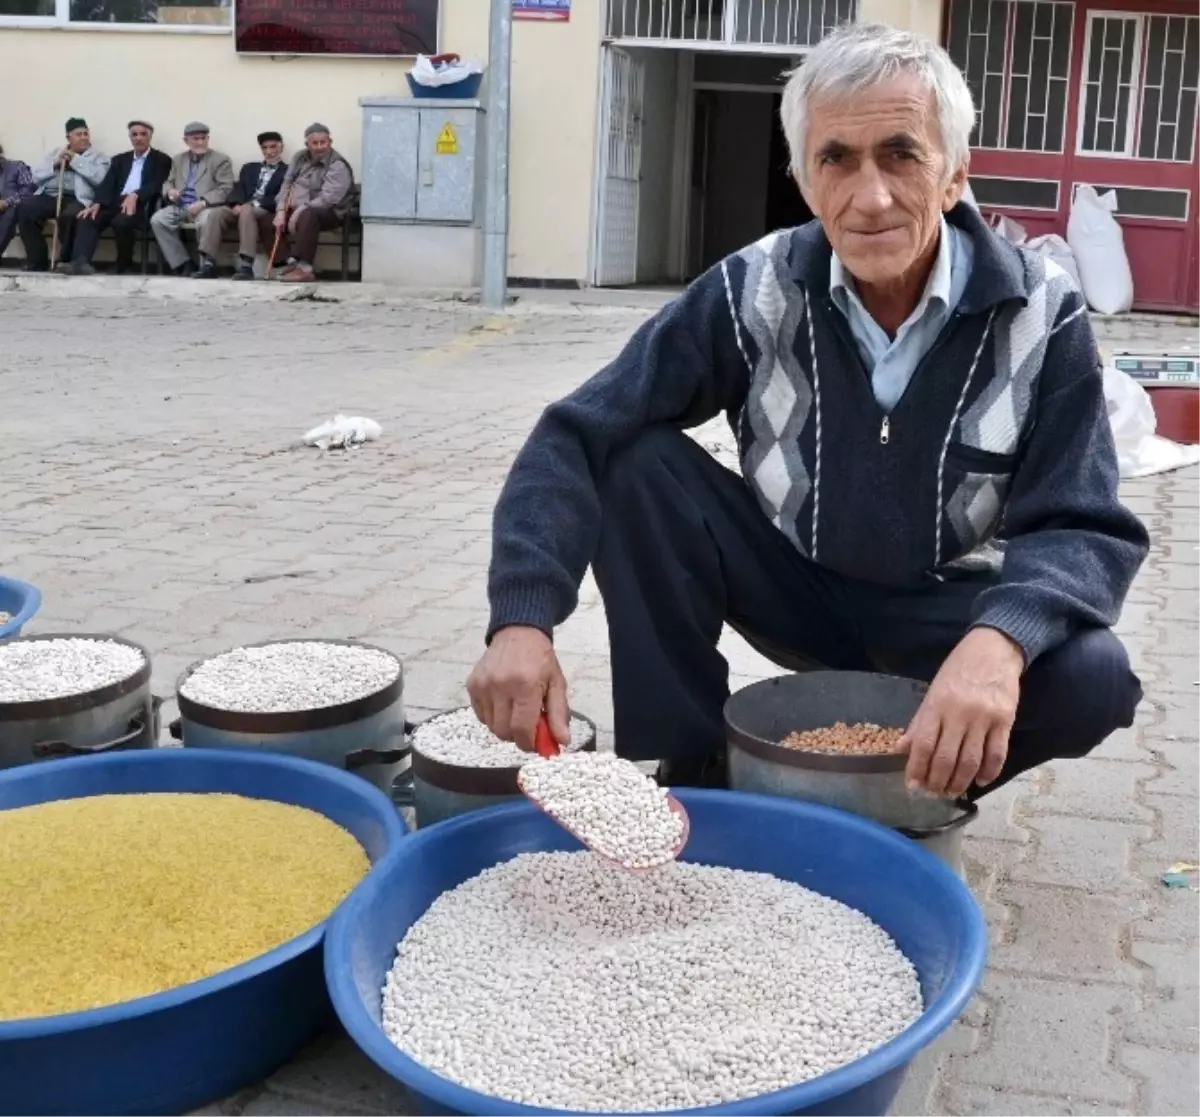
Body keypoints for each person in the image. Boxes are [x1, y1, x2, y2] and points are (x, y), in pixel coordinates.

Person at [467, 24, 1150, 803]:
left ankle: (912, 787)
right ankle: (690, 778)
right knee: (634, 463)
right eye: (836, 159)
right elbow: (576, 432)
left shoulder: (1041, 313)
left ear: (955, 173)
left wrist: (1000, 642)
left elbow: (1082, 522)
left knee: (1094, 676)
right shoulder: (750, 290)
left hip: (944, 607)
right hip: (793, 580)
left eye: (902, 153)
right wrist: (520, 616)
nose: (871, 197)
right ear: (803, 179)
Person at [71, 120, 172, 276]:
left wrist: (136, 195)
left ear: (150, 137)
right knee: (88, 216)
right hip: (115, 202)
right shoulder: (119, 160)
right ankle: (80, 262)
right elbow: (107, 184)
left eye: (143, 134)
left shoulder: (161, 159)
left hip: (142, 204)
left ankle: (124, 263)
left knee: (121, 222)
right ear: (130, 138)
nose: (138, 138)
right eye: (134, 134)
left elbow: (157, 184)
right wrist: (97, 203)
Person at [18, 118, 110, 273]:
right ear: (68, 138)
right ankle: (37, 260)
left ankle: (67, 260)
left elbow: (101, 179)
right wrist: (54, 164)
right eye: (78, 134)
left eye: (85, 134)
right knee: (26, 208)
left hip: (78, 198)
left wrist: (76, 160)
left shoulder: (99, 158)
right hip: (50, 196)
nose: (83, 137)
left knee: (70, 215)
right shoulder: (54, 153)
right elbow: (36, 177)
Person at [197, 130, 288, 280]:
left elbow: (282, 196)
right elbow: (238, 188)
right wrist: (236, 204)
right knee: (216, 213)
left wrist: (253, 205)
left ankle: (246, 266)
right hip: (242, 206)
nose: (269, 151)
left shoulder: (288, 171)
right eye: (265, 148)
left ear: (281, 148)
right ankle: (209, 263)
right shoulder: (249, 168)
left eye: (273, 147)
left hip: (265, 209)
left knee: (247, 212)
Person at [150, 122, 234, 277]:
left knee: (206, 220)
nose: (200, 142)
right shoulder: (178, 160)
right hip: (181, 205)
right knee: (158, 220)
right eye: (195, 139)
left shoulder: (220, 160)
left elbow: (226, 188)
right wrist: (170, 191)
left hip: (207, 207)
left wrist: (203, 202)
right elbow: (169, 181)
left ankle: (206, 266)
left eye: (204, 138)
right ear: (186, 140)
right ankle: (183, 263)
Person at [273, 123, 353, 283]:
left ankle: (304, 268)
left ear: (330, 142)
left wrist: (301, 209)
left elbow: (328, 198)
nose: (320, 147)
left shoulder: (337, 164)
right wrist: (280, 211)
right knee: (266, 216)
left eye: (323, 142)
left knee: (309, 215)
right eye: (315, 143)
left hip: (331, 212)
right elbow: (287, 184)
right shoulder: (299, 158)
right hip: (299, 208)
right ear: (307, 145)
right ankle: (289, 261)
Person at [0, 143, 33, 261]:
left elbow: (28, 191)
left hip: (13, 207)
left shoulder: (17, 167)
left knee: (12, 212)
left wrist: (6, 202)